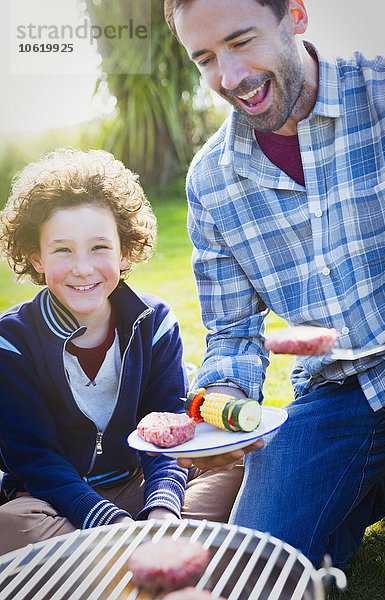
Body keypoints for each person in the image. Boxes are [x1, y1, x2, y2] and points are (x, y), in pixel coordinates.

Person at [164, 0, 385, 567]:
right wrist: (224, 405)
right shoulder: (211, 180)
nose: (230, 78)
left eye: (242, 41)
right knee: (256, 564)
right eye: (206, 58)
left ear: (294, 15)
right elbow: (229, 334)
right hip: (337, 392)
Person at [0, 147, 243, 555]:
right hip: (54, 504)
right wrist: (109, 522)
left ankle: (139, 551)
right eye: (62, 250)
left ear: (125, 251)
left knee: (240, 464)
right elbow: (35, 459)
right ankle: (156, 555)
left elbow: (163, 428)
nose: (82, 268)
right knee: (11, 526)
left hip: (138, 487)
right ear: (35, 257)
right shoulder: (12, 341)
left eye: (99, 247)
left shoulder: (154, 323)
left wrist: (163, 508)